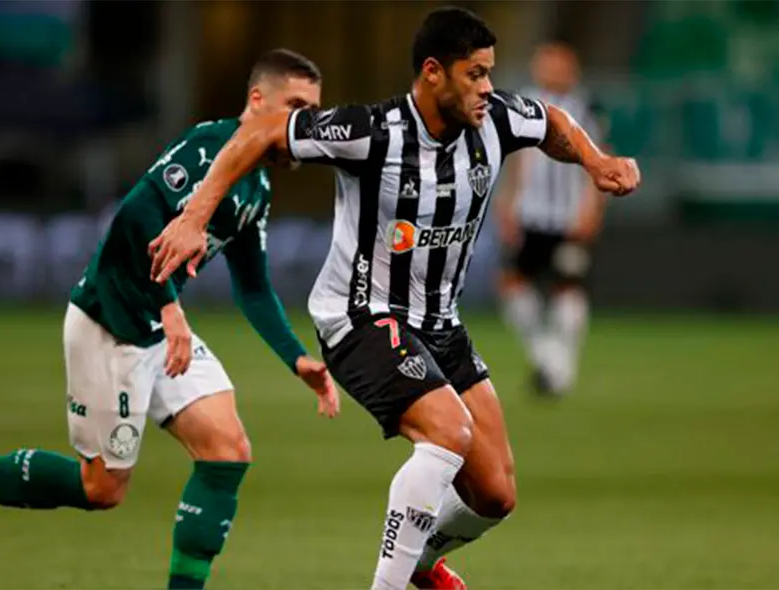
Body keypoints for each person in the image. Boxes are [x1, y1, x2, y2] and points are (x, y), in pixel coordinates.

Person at [149, 8, 640, 590]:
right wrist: (193, 217)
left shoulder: (496, 119)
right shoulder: (370, 131)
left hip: (440, 325)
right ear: (433, 73)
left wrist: (595, 161)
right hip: (361, 316)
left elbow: (552, 121)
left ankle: (420, 562)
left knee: (495, 493)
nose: (487, 88)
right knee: (448, 434)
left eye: (489, 73)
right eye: (474, 74)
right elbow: (256, 135)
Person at [0, 48, 340, 590]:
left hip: (158, 326)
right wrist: (172, 308)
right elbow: (134, 217)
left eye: (313, 110)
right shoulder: (207, 148)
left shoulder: (255, 186)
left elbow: (252, 285)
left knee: (228, 448)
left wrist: (296, 359)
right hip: (112, 323)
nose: (305, 123)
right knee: (101, 489)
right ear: (257, 101)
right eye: (295, 105)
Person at [495, 41, 608, 397]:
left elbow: (601, 161)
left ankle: (562, 368)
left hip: (568, 219)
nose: (546, 70)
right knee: (512, 284)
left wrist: (591, 209)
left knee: (568, 287)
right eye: (542, 64)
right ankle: (548, 358)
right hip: (531, 215)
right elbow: (516, 162)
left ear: (570, 69)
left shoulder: (586, 109)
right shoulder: (523, 104)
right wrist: (507, 205)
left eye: (555, 64)